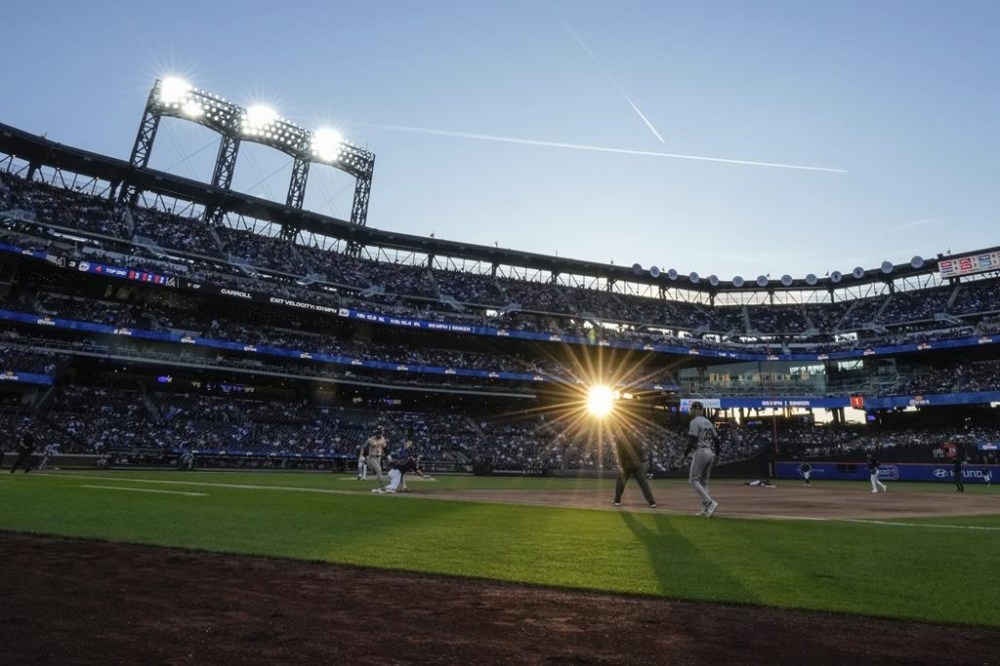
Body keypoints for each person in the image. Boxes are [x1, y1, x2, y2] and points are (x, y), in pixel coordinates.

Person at [685, 401, 719, 517]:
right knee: (704, 482)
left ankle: (709, 503)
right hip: (710, 452)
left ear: (695, 410)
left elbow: (692, 440)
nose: (691, 411)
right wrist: (718, 454)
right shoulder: (708, 422)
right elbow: (716, 439)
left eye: (692, 409)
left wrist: (685, 454)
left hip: (701, 451)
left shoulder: (694, 422)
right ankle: (706, 509)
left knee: (693, 480)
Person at [611, 431, 656, 508]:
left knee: (620, 482)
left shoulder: (621, 439)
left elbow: (620, 453)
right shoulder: (635, 439)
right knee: (643, 484)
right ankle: (652, 502)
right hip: (638, 463)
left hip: (628, 463)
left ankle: (617, 500)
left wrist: (621, 465)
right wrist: (641, 461)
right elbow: (642, 451)